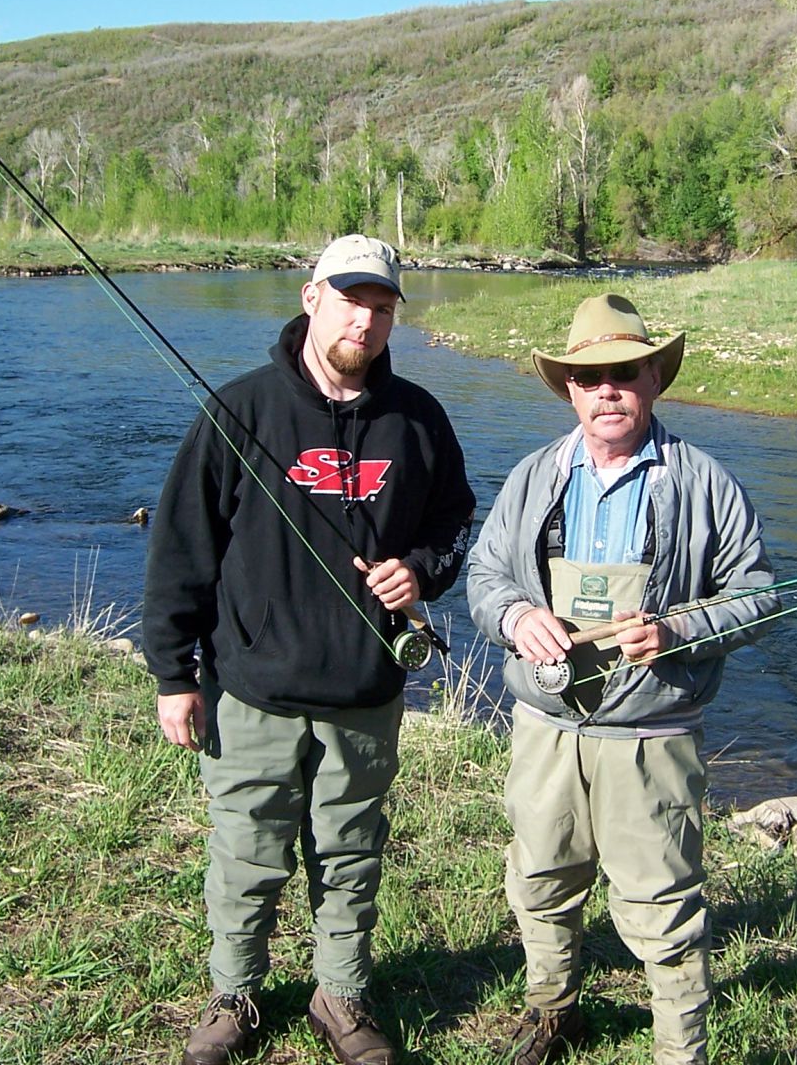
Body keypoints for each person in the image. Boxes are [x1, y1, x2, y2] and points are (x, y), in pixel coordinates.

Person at [144, 234, 475, 1065]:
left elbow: (455, 526)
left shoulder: (420, 420)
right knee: (245, 854)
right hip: (250, 690)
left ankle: (342, 995)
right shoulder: (239, 411)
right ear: (311, 298)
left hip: (365, 693)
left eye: (383, 306)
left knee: (352, 854)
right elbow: (181, 549)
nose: (365, 319)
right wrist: (171, 675)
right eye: (351, 299)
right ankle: (234, 996)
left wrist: (421, 572)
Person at [467, 293, 779, 1065]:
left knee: (662, 910)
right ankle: (554, 1012)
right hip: (546, 729)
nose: (608, 389)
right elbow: (484, 575)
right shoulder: (534, 476)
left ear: (654, 380)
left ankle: (681, 1051)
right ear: (569, 389)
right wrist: (513, 619)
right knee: (540, 879)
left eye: (625, 372)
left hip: (652, 738)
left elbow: (760, 598)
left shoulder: (707, 483)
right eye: (590, 376)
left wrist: (677, 629)